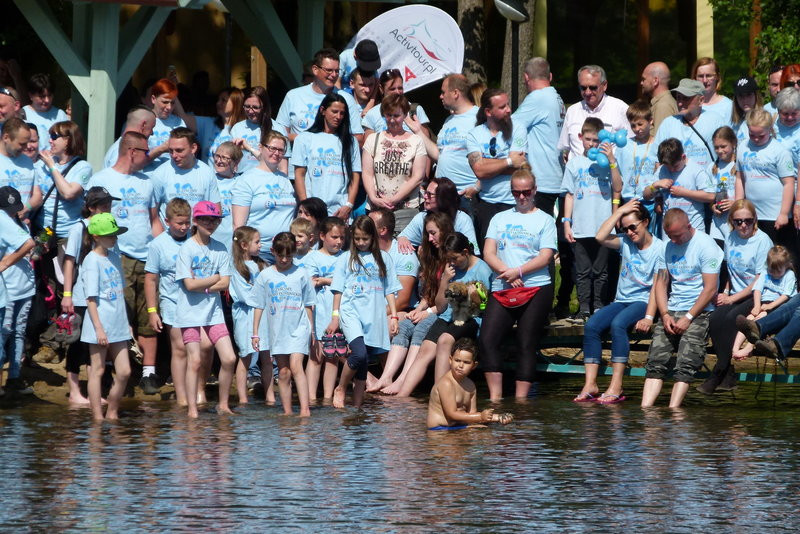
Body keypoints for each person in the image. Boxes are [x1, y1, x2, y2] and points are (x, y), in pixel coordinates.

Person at [89, 131, 160, 393]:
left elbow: (154, 220)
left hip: (148, 256)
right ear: (132, 152)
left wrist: (163, 251)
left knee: (148, 315)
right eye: (145, 151)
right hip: (120, 255)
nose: (148, 155)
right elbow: (92, 218)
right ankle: (109, 371)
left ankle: (149, 373)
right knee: (118, 314)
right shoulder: (102, 179)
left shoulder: (148, 182)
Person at [575, 201, 664, 404]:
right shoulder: (625, 242)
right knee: (592, 326)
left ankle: (616, 384)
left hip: (643, 301)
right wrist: (621, 211)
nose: (630, 232)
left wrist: (649, 317)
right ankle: (591, 384)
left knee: (618, 325)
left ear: (646, 222)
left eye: (633, 227)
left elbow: (657, 287)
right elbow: (600, 237)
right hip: (622, 300)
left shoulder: (660, 248)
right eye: (625, 229)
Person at [383, 232, 492, 397]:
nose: (452, 263)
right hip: (447, 316)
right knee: (425, 349)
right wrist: (444, 281)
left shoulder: (482, 269)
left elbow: (482, 307)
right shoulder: (451, 269)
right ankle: (402, 395)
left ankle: (439, 394)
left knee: (444, 340)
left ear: (465, 252)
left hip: (469, 318)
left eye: (455, 258)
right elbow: (441, 307)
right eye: (449, 259)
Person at [479, 167, 556, 400]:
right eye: (516, 193)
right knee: (488, 339)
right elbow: (488, 252)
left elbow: (545, 256)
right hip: (503, 285)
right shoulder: (500, 218)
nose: (521, 197)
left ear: (534, 191)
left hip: (536, 286)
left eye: (526, 192)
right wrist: (507, 272)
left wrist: (519, 271)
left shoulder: (545, 220)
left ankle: (521, 400)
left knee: (525, 340)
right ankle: (496, 398)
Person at [641, 208, 722, 408]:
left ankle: (673, 410)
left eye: (677, 236)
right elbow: (660, 282)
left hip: (699, 311)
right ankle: (646, 410)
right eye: (670, 236)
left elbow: (710, 288)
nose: (674, 241)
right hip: (672, 308)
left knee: (687, 361)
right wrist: (665, 313)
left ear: (689, 226)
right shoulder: (666, 247)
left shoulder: (706, 246)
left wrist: (688, 317)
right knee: (655, 361)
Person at [368, 212, 452, 392]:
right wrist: (420, 308)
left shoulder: (451, 257)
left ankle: (403, 380)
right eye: (427, 234)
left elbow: (446, 301)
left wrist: (426, 312)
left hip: (446, 311)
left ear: (445, 232)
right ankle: (386, 377)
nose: (429, 239)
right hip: (430, 307)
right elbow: (429, 291)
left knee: (421, 328)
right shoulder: (431, 255)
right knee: (405, 325)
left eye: (433, 233)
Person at [327, 215, 400, 408]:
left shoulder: (384, 259)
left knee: (364, 360)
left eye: (365, 239)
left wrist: (393, 316)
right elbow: (338, 290)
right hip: (351, 312)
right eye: (357, 238)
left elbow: (390, 290)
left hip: (373, 314)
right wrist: (335, 317)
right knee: (358, 354)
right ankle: (341, 387)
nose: (360, 243)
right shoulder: (346, 258)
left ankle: (357, 409)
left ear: (373, 237)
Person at [700, 199, 772, 394]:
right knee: (715, 318)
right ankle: (728, 373)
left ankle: (719, 371)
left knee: (732, 319)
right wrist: (725, 292)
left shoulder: (762, 240)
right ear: (732, 221)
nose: (743, 225)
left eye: (748, 221)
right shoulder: (731, 237)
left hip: (760, 294)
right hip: (736, 292)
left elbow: (759, 279)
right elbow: (730, 270)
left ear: (755, 219)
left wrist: (732, 299)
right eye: (738, 221)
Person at [174, 201, 236, 418]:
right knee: (196, 360)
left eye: (214, 220)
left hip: (214, 314)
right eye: (205, 219)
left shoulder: (220, 248)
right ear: (196, 221)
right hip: (190, 315)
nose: (210, 223)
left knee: (229, 358)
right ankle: (192, 409)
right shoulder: (187, 248)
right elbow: (188, 285)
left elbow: (226, 282)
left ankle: (223, 404)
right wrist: (212, 280)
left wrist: (204, 285)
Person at [144, 198, 202, 407]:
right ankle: (182, 398)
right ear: (167, 221)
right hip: (171, 302)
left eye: (187, 223)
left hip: (196, 302)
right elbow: (151, 279)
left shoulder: (196, 240)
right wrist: (152, 311)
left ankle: (197, 392)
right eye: (179, 223)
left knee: (200, 349)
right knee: (179, 348)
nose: (184, 227)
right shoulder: (158, 245)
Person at [562, 117, 621, 322]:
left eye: (596, 140)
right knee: (583, 271)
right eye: (588, 139)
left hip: (603, 227)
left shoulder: (608, 162)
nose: (592, 144)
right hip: (581, 227)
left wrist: (612, 161)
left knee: (601, 270)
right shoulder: (575, 163)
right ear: (581, 138)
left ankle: (599, 306)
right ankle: (584, 307)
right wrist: (566, 222)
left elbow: (618, 187)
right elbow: (569, 194)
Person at [61, 187, 116, 404]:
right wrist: (66, 294)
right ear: (91, 207)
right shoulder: (79, 228)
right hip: (81, 293)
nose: (107, 208)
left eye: (109, 204)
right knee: (77, 343)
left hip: (103, 294)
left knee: (96, 341)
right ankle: (74, 390)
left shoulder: (110, 228)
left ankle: (95, 388)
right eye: (103, 205)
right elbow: (69, 261)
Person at [252, 232, 315, 416]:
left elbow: (309, 305)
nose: (285, 259)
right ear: (273, 252)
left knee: (296, 366)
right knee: (284, 371)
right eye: (281, 255)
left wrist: (312, 332)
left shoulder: (301, 274)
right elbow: (258, 305)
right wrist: (255, 333)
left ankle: (305, 410)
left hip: (299, 327)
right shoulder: (266, 276)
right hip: (278, 330)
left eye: (289, 255)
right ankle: (287, 411)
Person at [80, 213, 131, 420]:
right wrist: (99, 328)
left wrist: (127, 324)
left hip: (118, 322)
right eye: (110, 235)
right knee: (98, 370)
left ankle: (112, 411)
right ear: (96, 237)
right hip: (99, 323)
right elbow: (91, 299)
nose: (114, 238)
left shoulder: (115, 257)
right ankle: (97, 417)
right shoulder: (91, 261)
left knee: (125, 371)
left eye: (115, 235)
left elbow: (119, 293)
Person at [466, 88, 527, 249]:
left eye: (507, 105)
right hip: (487, 205)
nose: (508, 109)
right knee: (489, 253)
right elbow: (479, 170)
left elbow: (519, 164)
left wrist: (488, 165)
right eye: (502, 107)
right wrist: (507, 161)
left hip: (514, 202)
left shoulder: (518, 128)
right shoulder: (474, 134)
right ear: (488, 111)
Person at [409, 74, 478, 212]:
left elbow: (491, 157)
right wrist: (418, 132)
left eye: (443, 92)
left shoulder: (479, 118)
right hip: (443, 196)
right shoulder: (449, 121)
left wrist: (476, 188)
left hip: (465, 196)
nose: (440, 96)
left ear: (455, 93)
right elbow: (439, 154)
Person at [361, 93, 428, 234]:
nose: (391, 120)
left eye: (396, 116)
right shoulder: (373, 139)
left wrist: (394, 199)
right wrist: (373, 197)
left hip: (406, 209)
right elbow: (367, 173)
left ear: (404, 115)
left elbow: (418, 177)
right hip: (377, 209)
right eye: (388, 115)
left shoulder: (416, 141)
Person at [291, 93, 361, 219]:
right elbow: (299, 175)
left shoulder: (351, 142)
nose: (338, 117)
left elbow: (355, 176)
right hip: (312, 210)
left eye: (342, 113)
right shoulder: (304, 138)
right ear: (323, 110)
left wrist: (349, 205)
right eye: (334, 111)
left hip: (340, 211)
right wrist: (305, 205)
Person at [512, 57, 566, 217]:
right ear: (550, 76)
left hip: (541, 180)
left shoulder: (538, 98)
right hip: (555, 175)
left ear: (526, 77)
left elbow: (509, 125)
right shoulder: (556, 97)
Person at [231, 130, 296, 262]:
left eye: (280, 150)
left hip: (285, 252)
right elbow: (239, 227)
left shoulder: (285, 180)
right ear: (261, 147)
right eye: (272, 148)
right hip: (259, 254)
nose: (276, 153)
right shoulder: (247, 179)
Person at [275, 48, 363, 142]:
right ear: (315, 70)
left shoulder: (347, 99)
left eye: (337, 71)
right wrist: (304, 140)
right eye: (329, 70)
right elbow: (278, 134)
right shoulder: (293, 96)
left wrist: (329, 141)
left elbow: (359, 138)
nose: (334, 75)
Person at [738, 109, 795, 250]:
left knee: (777, 257)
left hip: (774, 216)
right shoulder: (743, 146)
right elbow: (740, 177)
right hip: (752, 215)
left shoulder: (779, 151)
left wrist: (783, 213)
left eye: (761, 136)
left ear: (770, 129)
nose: (756, 139)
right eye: (752, 135)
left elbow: (789, 183)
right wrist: (738, 206)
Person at [303, 217, 347, 400]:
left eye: (342, 238)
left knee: (333, 355)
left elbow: (347, 282)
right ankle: (311, 398)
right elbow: (310, 283)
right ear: (322, 236)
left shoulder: (345, 257)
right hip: (320, 310)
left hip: (338, 311)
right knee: (316, 355)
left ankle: (328, 398)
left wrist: (327, 280)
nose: (339, 242)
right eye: (334, 237)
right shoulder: (312, 257)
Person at [427, 338, 512, 430]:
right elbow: (451, 414)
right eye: (457, 360)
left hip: (458, 426)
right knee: (483, 434)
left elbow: (471, 416)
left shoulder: (470, 386)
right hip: (439, 430)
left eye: (466, 362)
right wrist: (480, 417)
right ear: (450, 360)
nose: (460, 366)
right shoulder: (446, 383)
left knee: (488, 432)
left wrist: (497, 417)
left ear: (474, 365)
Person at [229, 226, 272, 405]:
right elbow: (246, 296)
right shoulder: (236, 268)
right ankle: (243, 398)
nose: (260, 245)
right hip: (246, 317)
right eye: (257, 242)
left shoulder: (262, 264)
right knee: (245, 356)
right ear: (245, 245)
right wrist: (262, 296)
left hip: (263, 316)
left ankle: (270, 396)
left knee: (267, 356)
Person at [150, 127, 221, 233]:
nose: (174, 155)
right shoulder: (159, 174)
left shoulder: (207, 172)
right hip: (170, 240)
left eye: (179, 150)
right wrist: (163, 242)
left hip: (198, 240)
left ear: (193, 148)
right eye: (170, 150)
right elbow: (152, 216)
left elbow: (216, 210)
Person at [0, 187, 35, 395]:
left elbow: (29, 244)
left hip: (22, 287)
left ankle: (12, 379)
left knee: (17, 332)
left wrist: (5, 262)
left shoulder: (12, 222)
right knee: (4, 334)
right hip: (9, 289)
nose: (12, 212)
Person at [733, 246, 796, 360]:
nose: (775, 274)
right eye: (772, 270)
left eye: (778, 271)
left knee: (760, 319)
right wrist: (757, 305)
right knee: (750, 318)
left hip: (778, 305)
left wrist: (770, 306)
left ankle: (748, 348)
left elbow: (786, 295)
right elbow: (757, 289)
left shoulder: (789, 275)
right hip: (763, 303)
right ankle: (735, 348)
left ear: (786, 266)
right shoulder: (765, 272)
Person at [558, 64, 630, 161]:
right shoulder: (572, 111)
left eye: (592, 87)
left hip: (608, 173)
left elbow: (633, 145)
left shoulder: (621, 109)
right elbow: (564, 148)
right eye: (583, 88)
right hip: (577, 173)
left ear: (604, 86)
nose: (587, 92)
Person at [643, 138, 715, 232]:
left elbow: (711, 196)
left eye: (675, 166)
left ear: (683, 157)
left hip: (693, 228)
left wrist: (684, 193)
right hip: (669, 230)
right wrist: (655, 185)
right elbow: (646, 195)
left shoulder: (696, 170)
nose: (672, 170)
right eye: (668, 167)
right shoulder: (661, 170)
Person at [654, 79, 727, 170]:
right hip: (674, 183)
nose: (680, 103)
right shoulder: (668, 123)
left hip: (708, 182)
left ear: (701, 100)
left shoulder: (715, 121)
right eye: (678, 98)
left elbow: (727, 154)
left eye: (686, 98)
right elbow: (656, 160)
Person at [396, 177, 478, 254]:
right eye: (425, 192)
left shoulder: (462, 219)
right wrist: (402, 238)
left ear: (443, 198)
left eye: (429, 194)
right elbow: (403, 237)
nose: (425, 196)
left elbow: (473, 251)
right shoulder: (421, 217)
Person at [369, 208, 419, 314]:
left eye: (369, 224)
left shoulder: (404, 255)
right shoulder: (363, 251)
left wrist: (374, 317)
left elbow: (403, 301)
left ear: (383, 230)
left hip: (398, 311)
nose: (363, 225)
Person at [362, 68, 431, 139]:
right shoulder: (372, 114)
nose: (397, 92)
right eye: (392, 89)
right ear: (381, 89)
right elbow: (369, 147)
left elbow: (426, 143)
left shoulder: (415, 110)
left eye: (400, 88)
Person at [617, 100, 658, 219]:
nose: (637, 129)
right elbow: (618, 175)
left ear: (650, 121)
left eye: (640, 124)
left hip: (651, 202)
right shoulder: (624, 145)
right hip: (629, 201)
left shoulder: (657, 144)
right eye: (633, 125)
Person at [147, 78, 195, 167]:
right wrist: (161, 149)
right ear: (153, 99)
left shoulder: (178, 122)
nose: (169, 107)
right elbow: (136, 161)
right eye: (165, 102)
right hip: (149, 176)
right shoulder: (142, 120)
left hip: (174, 176)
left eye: (172, 103)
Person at [0, 118, 41, 218]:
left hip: (22, 228)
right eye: (22, 144)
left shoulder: (27, 162)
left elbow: (37, 196)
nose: (26, 147)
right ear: (6, 137)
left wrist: (24, 210)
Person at [709, 126, 739, 248]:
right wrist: (712, 207)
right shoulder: (712, 167)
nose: (720, 151)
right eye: (716, 147)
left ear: (733, 144)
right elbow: (709, 195)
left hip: (735, 223)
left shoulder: (739, 165)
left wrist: (735, 203)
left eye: (723, 146)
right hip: (717, 225)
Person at [230, 86, 272, 173]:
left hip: (267, 178)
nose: (250, 111)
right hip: (242, 179)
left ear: (264, 107)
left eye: (255, 107)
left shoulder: (276, 128)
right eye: (247, 106)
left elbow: (282, 166)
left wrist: (248, 148)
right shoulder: (237, 128)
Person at [102, 105, 157, 171]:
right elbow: (117, 178)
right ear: (143, 125)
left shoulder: (121, 148)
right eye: (151, 128)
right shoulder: (119, 151)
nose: (152, 133)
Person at [22, 73, 68, 151]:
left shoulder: (60, 115)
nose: (47, 100)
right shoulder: (23, 114)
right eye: (42, 96)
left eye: (49, 95)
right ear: (31, 95)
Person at [210, 141, 242, 249]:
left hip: (234, 239)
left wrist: (250, 149)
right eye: (217, 156)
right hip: (212, 236)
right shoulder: (208, 178)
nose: (219, 161)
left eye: (224, 158)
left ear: (235, 162)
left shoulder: (243, 181)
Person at [205, 87, 244, 165]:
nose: (218, 103)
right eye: (218, 100)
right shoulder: (208, 123)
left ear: (236, 103)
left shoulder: (243, 128)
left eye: (223, 100)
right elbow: (183, 116)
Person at [640, 61, 678, 134]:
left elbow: (661, 142)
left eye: (643, 79)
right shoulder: (663, 102)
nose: (641, 83)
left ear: (655, 81)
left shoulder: (663, 106)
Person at [773, 89, 800, 186]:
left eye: (794, 113)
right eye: (785, 114)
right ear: (778, 111)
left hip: (795, 183)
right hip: (773, 179)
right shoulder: (771, 125)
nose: (790, 118)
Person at [730, 76, 762, 143]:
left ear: (756, 96)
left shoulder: (766, 120)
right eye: (740, 96)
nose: (745, 100)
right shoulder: (734, 125)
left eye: (749, 95)